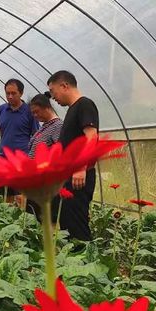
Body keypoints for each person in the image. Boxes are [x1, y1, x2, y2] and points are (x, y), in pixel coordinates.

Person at [47, 70, 99, 241]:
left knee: (77, 225)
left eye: (53, 91)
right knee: (68, 222)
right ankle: (74, 264)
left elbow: (91, 137)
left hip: (79, 177)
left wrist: (80, 167)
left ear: (64, 85)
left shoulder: (84, 105)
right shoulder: (72, 110)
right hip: (69, 177)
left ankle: (87, 263)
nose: (53, 97)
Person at [0, 78, 39, 203]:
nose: (10, 96)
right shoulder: (1, 110)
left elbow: (36, 135)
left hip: (22, 159)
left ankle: (20, 219)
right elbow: (2, 132)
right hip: (4, 158)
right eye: (7, 93)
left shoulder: (30, 111)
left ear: (21, 93)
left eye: (13, 93)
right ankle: (7, 218)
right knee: (6, 192)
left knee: (21, 194)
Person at [26, 91, 63, 223]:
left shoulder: (57, 126)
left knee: (45, 219)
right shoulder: (44, 127)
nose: (35, 116)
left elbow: (59, 151)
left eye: (37, 112)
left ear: (47, 107)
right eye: (33, 113)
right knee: (33, 219)